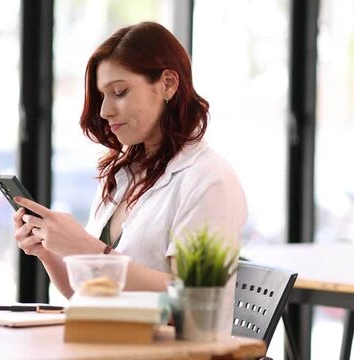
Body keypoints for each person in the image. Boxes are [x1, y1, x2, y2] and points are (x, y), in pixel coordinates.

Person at [13, 21, 247, 299]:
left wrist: (86, 249)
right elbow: (85, 294)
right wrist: (47, 251)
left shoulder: (210, 180)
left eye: (120, 92)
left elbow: (194, 299)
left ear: (168, 84)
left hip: (168, 343)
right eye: (102, 96)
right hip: (112, 338)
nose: (104, 111)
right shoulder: (122, 174)